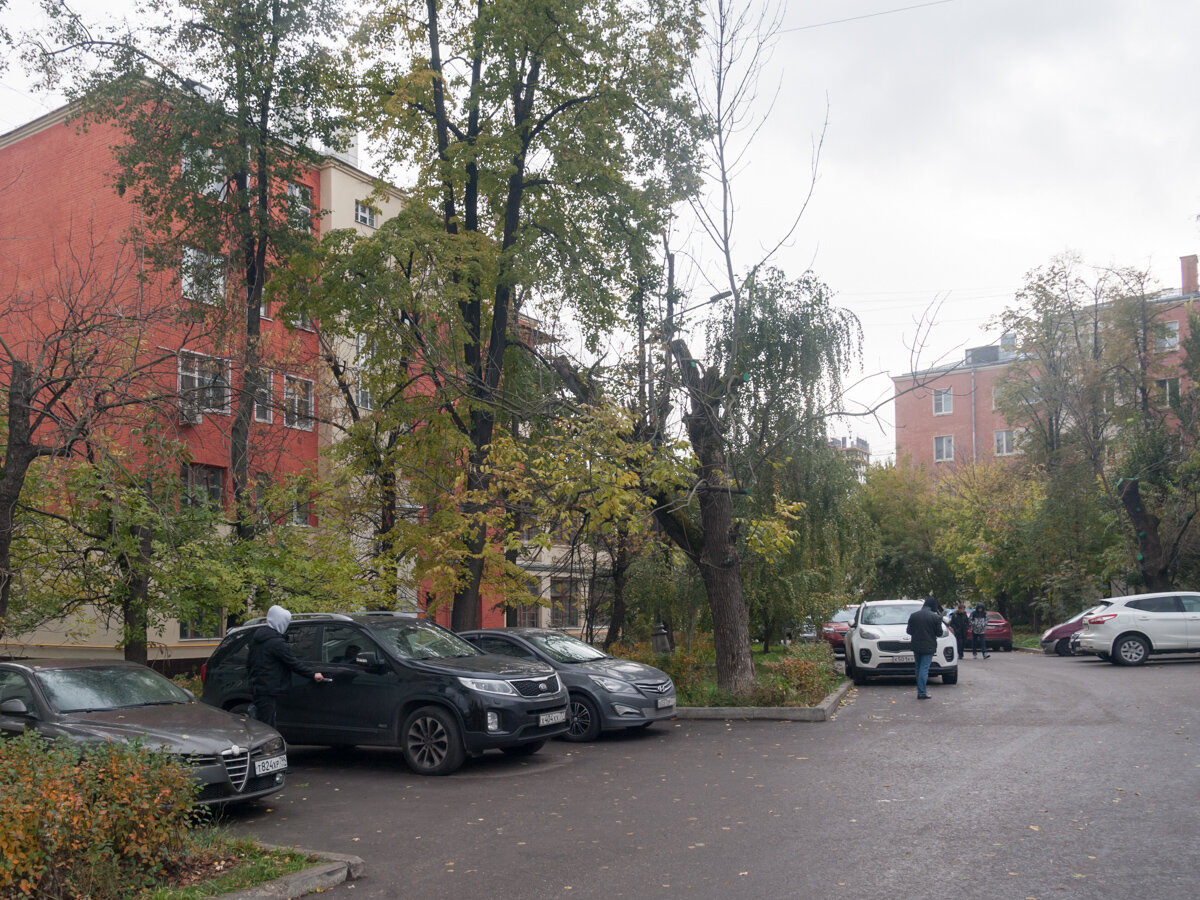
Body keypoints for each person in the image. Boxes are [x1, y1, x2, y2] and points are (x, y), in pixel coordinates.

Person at [246, 604, 326, 727]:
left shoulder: (257, 639)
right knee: (268, 725)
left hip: (258, 687)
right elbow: (293, 663)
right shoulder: (276, 643)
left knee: (262, 722)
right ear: (280, 622)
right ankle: (268, 747)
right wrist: (313, 674)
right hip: (269, 689)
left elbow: (249, 663)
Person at [906, 595, 943, 700]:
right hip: (929, 646)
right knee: (924, 668)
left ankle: (920, 690)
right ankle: (922, 692)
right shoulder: (935, 617)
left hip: (916, 645)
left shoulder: (914, 615)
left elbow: (908, 631)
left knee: (918, 668)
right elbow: (939, 633)